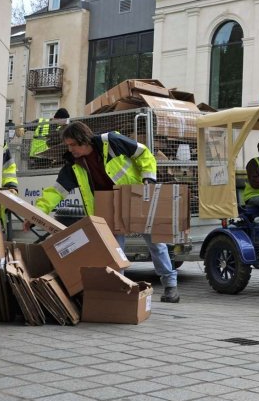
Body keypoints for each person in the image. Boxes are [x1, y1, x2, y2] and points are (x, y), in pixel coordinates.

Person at [24, 121, 180, 303]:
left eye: (73, 144)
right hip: (107, 207)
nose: (70, 149)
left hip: (135, 198)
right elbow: (55, 193)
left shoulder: (111, 142)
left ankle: (170, 286)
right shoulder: (73, 165)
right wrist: (36, 215)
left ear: (84, 140)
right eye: (68, 145)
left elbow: (143, 153)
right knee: (115, 251)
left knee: (155, 243)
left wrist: (148, 181)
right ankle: (119, 288)